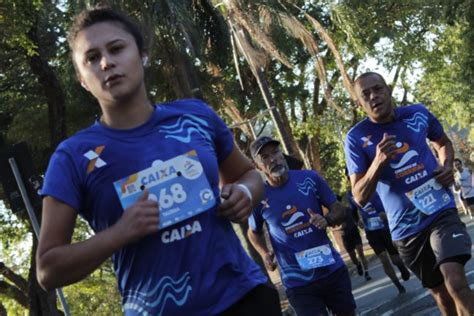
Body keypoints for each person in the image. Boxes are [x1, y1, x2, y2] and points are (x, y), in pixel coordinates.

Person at [36, 7, 282, 316]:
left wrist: (244, 194)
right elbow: (48, 270)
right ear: (83, 80)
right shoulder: (72, 157)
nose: (106, 62)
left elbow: (249, 175)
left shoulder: (195, 117)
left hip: (244, 299)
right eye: (91, 58)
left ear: (142, 55)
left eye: (116, 48)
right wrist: (119, 233)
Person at [344, 71, 473, 315]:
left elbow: (443, 142)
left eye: (378, 89)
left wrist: (446, 166)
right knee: (442, 297)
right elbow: (359, 195)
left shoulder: (417, 113)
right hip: (406, 228)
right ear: (359, 103)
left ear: (388, 89)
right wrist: (378, 162)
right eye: (366, 94)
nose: (374, 96)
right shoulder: (355, 139)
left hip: (439, 210)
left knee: (455, 281)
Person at [247, 136, 356, 316]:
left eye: (275, 152)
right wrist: (264, 253)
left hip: (331, 270)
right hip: (298, 282)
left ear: (282, 153)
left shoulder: (310, 178)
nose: (273, 159)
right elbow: (253, 232)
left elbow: (339, 209)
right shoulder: (258, 197)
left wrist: (327, 220)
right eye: (265, 157)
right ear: (257, 165)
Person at [347, 191, 411, 294]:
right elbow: (354, 211)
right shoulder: (350, 194)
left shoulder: (376, 184)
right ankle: (398, 285)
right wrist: (358, 220)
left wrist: (387, 213)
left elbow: (390, 199)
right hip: (371, 231)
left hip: (386, 227)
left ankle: (401, 267)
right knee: (383, 258)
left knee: (396, 259)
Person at [337, 194, 371, 281]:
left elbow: (356, 217)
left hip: (354, 232)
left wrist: (359, 222)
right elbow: (332, 227)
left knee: (361, 253)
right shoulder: (332, 214)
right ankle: (358, 264)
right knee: (353, 257)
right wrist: (340, 227)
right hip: (345, 236)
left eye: (338, 201)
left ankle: (366, 272)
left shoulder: (348, 209)